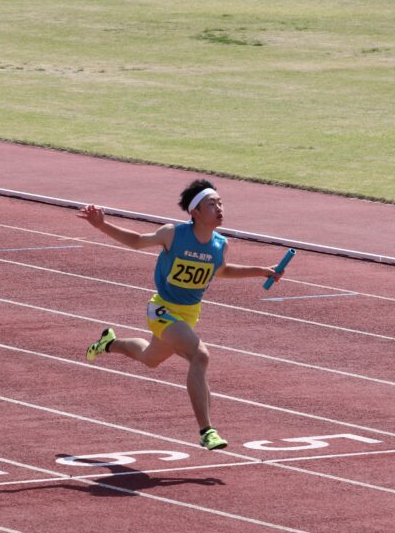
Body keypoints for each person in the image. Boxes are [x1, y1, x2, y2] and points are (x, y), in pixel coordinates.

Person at [77, 179, 283, 450]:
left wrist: (261, 270)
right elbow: (138, 241)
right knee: (200, 356)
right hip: (162, 309)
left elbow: (221, 271)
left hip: (188, 314)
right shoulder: (172, 234)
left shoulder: (220, 245)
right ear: (195, 212)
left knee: (150, 358)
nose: (219, 208)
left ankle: (108, 343)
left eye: (221, 203)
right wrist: (102, 225)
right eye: (212, 204)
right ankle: (206, 431)